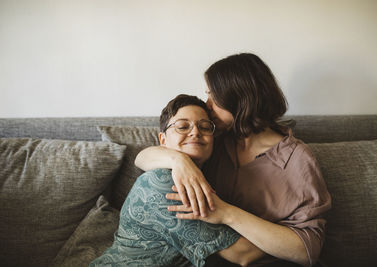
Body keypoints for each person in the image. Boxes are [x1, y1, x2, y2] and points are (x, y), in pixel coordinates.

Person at [135, 53, 332, 266]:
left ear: (240, 99)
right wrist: (178, 162)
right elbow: (141, 158)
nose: (207, 105)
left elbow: (307, 249)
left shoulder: (296, 159)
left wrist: (226, 213)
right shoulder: (214, 139)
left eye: (214, 97)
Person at [90, 94, 264, 267]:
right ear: (163, 140)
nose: (195, 132)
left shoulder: (212, 172)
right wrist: (288, 229)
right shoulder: (163, 183)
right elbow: (243, 253)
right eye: (182, 126)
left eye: (204, 127)